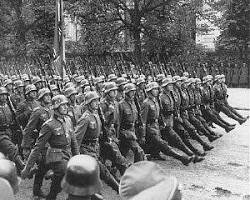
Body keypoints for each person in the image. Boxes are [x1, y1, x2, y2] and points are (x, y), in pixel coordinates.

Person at [21, 95, 79, 200]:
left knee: (62, 177)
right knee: (63, 172)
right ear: (56, 107)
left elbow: (74, 142)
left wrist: (78, 158)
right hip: (54, 155)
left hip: (67, 153)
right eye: (62, 105)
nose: (66, 107)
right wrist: (27, 168)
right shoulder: (49, 125)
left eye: (66, 105)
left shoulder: (68, 120)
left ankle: (51, 195)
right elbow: (37, 147)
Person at [75, 91, 119, 193]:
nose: (96, 103)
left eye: (97, 100)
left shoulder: (96, 115)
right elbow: (77, 138)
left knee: (102, 172)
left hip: (94, 148)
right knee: (100, 173)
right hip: (86, 150)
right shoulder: (85, 118)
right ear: (89, 103)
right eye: (93, 101)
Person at [141, 82, 193, 165]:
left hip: (157, 126)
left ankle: (155, 154)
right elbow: (143, 120)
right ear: (150, 91)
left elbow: (159, 113)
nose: (156, 91)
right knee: (163, 144)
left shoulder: (156, 100)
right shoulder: (146, 103)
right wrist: (143, 135)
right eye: (154, 89)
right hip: (150, 128)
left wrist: (162, 122)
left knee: (171, 137)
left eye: (157, 89)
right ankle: (182, 158)